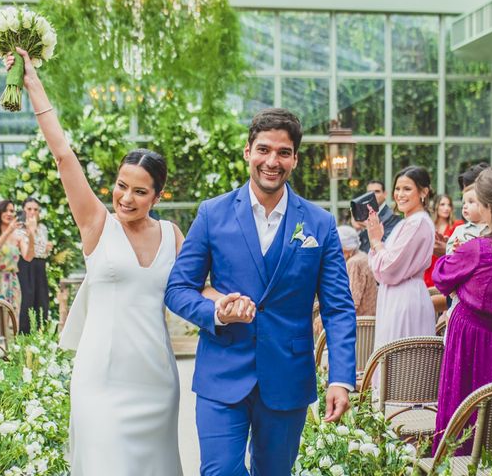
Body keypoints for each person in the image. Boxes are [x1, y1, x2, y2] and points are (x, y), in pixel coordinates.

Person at [7, 47, 188, 475]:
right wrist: (33, 83)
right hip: (100, 379)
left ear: (158, 196)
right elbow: (64, 156)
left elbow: (196, 291)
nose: (126, 197)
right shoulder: (96, 223)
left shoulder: (173, 236)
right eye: (121, 185)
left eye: (140, 191)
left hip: (157, 379)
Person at [165, 107, 356, 476]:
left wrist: (341, 378)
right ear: (247, 152)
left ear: (295, 159)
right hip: (222, 373)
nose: (272, 161)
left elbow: (338, 308)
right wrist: (217, 312)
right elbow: (177, 288)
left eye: (283, 152)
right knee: (220, 471)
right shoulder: (212, 214)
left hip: (287, 376)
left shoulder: (319, 223)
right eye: (264, 149)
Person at [432, 166, 492, 454]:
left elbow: (441, 276)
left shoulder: (476, 249)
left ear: (489, 206)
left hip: (470, 340)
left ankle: (457, 461)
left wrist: (450, 254)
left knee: (464, 403)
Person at [366, 166, 436, 353]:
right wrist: (377, 243)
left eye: (407, 189)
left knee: (402, 363)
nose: (400, 194)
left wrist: (375, 241)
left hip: (405, 299)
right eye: (397, 189)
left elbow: (388, 268)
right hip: (395, 295)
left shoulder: (418, 222)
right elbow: (379, 269)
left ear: (423, 192)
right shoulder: (407, 222)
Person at [17, 197, 52, 333]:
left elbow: (44, 249)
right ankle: (24, 334)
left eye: (35, 209)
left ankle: (40, 333)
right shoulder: (20, 228)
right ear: (24, 210)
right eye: (29, 209)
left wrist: (48, 247)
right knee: (27, 299)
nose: (32, 212)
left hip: (40, 265)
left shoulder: (43, 228)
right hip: (26, 266)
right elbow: (27, 251)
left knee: (42, 299)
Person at [423, 194, 463, 287]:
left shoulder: (457, 226)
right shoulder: (429, 226)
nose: (446, 208)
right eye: (442, 204)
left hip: (447, 274)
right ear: (436, 207)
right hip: (428, 274)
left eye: (449, 205)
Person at [337, 225, 377, 316]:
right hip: (365, 319)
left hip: (359, 323)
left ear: (345, 247)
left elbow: (351, 300)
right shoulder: (361, 256)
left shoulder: (355, 263)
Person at [358, 180, 401, 253]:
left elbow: (387, 242)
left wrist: (367, 226)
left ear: (385, 194)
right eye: (369, 192)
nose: (372, 195)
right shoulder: (363, 214)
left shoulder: (392, 216)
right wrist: (358, 229)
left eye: (377, 191)